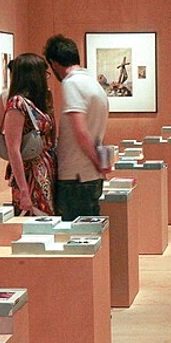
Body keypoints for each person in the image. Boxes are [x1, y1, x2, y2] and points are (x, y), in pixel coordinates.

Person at [45, 34, 110, 220]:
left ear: (54, 63)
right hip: (90, 174)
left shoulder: (72, 83)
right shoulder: (93, 84)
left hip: (76, 175)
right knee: (90, 233)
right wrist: (100, 163)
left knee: (76, 236)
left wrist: (97, 161)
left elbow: (81, 131)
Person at [0, 53, 56, 216]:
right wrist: (24, 190)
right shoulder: (17, 103)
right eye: (43, 74)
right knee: (36, 221)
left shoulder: (37, 101)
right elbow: (13, 149)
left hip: (43, 171)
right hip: (30, 174)